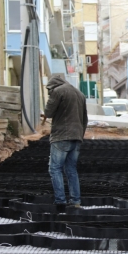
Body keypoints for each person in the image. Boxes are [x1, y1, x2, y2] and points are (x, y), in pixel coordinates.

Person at [42, 74, 88, 207]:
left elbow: (48, 112)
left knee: (55, 169)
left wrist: (50, 99)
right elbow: (85, 119)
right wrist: (80, 136)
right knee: (71, 169)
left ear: (52, 86)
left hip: (61, 136)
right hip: (77, 137)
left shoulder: (57, 91)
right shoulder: (80, 94)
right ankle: (75, 201)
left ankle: (60, 201)